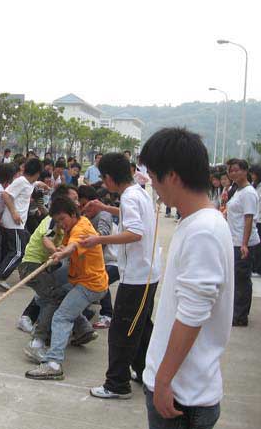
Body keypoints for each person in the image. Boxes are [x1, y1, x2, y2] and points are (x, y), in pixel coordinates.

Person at [140, 127, 234, 429]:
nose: (153, 187)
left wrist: (163, 380)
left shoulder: (203, 230)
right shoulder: (196, 223)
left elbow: (193, 313)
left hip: (182, 397)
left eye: (153, 177)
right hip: (180, 388)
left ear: (172, 176)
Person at [81, 153, 161, 399]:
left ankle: (117, 384)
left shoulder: (129, 197)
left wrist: (98, 239)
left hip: (137, 276)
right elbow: (132, 218)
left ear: (108, 177)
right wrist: (104, 207)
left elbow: (135, 232)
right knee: (141, 326)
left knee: (122, 330)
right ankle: (144, 371)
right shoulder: (138, 193)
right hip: (147, 273)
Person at [24, 196, 108, 380]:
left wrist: (62, 253)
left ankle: (53, 364)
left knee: (61, 316)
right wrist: (59, 251)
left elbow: (73, 246)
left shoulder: (80, 228)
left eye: (63, 219)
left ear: (73, 214)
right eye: (58, 221)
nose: (61, 224)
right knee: (52, 297)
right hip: (83, 281)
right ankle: (84, 330)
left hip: (90, 285)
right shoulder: (75, 226)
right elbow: (66, 246)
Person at [0, 158, 43, 291]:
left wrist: (42, 185)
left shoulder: (29, 183)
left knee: (19, 248)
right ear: (37, 173)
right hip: (14, 222)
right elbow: (6, 194)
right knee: (18, 252)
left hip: (19, 223)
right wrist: (14, 213)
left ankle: (1, 273)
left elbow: (35, 183)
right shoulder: (21, 181)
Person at [78, 185, 118, 329]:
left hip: (112, 261)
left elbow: (103, 236)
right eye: (81, 205)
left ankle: (107, 315)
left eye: (86, 205)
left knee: (100, 278)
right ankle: (85, 309)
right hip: (99, 262)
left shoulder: (103, 215)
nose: (84, 209)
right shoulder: (85, 217)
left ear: (94, 202)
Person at [226, 159, 259, 327]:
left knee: (241, 280)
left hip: (243, 243)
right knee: (238, 279)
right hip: (235, 240)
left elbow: (248, 218)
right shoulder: (237, 190)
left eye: (236, 170)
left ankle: (240, 316)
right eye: (230, 170)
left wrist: (244, 244)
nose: (232, 173)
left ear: (245, 171)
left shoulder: (248, 193)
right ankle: (237, 311)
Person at [249, 164, 261, 278]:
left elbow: (259, 203)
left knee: (258, 244)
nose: (252, 176)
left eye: (253, 174)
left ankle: (260, 269)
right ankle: (254, 267)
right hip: (255, 219)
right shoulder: (255, 185)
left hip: (260, 219)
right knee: (254, 244)